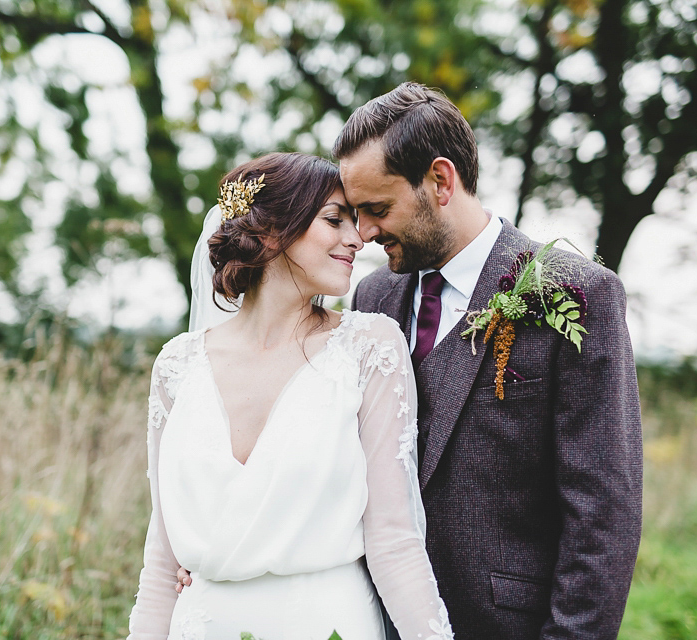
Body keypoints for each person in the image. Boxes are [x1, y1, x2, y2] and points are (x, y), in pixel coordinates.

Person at [333, 82, 643, 639]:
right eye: (356, 214)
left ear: (440, 180)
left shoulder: (574, 295)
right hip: (377, 619)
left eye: (377, 209)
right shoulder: (372, 298)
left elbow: (602, 517)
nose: (365, 233)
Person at [127, 152, 454, 639]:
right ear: (271, 232)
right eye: (334, 220)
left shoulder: (368, 348)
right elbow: (160, 562)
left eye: (357, 222)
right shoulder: (177, 367)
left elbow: (394, 543)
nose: (356, 238)